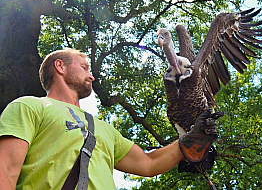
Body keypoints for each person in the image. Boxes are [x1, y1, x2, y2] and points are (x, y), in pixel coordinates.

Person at [0, 48, 218, 189]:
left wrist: (190, 141)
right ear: (60, 66)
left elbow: (148, 163)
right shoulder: (29, 106)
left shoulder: (104, 129)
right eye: (84, 68)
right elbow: (6, 171)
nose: (92, 75)